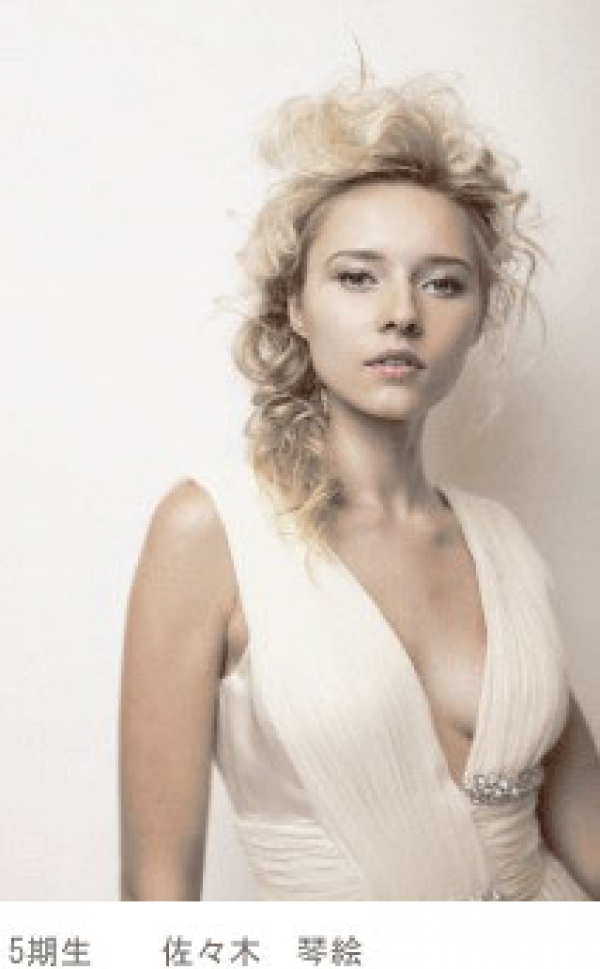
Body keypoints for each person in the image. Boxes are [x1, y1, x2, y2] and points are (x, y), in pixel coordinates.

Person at [118, 71, 600, 900]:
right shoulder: (209, 530)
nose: (402, 313)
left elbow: (584, 816)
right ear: (296, 306)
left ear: (478, 315)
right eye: (357, 276)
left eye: (443, 282)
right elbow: (156, 884)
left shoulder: (502, 541)